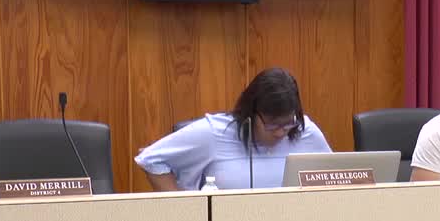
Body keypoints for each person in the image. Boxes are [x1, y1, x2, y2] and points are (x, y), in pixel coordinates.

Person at [135, 67, 332, 190]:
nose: (281, 132)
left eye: (288, 123)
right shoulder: (214, 133)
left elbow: (336, 180)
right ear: (251, 114)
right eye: (272, 124)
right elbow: (151, 159)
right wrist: (187, 214)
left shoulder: (307, 133)